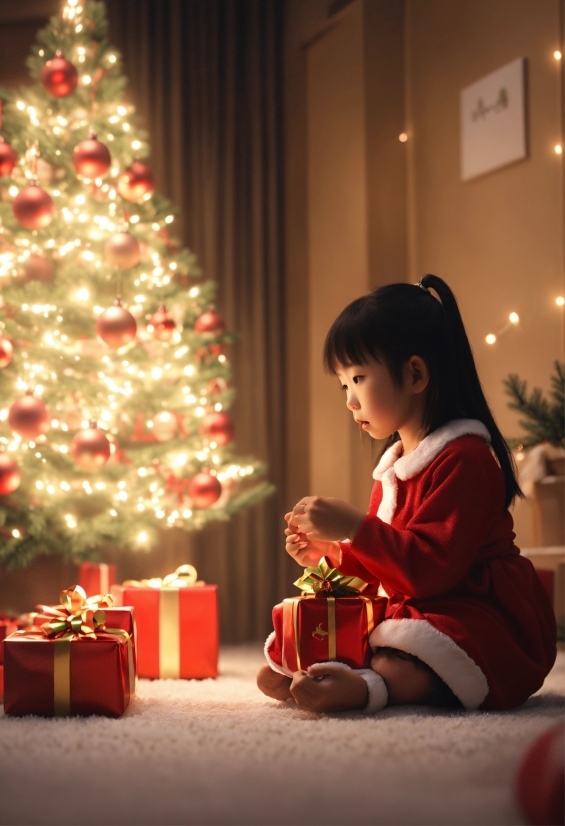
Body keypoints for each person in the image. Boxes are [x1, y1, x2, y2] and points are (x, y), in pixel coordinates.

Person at [257, 275, 557, 714]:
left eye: (358, 378)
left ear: (415, 373)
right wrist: (332, 553)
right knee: (291, 656)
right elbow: (388, 561)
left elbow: (429, 568)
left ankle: (369, 688)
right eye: (343, 385)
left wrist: (355, 526)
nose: (350, 401)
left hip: (478, 611)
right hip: (423, 603)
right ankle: (354, 671)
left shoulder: (467, 459)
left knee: (402, 661)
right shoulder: (393, 467)